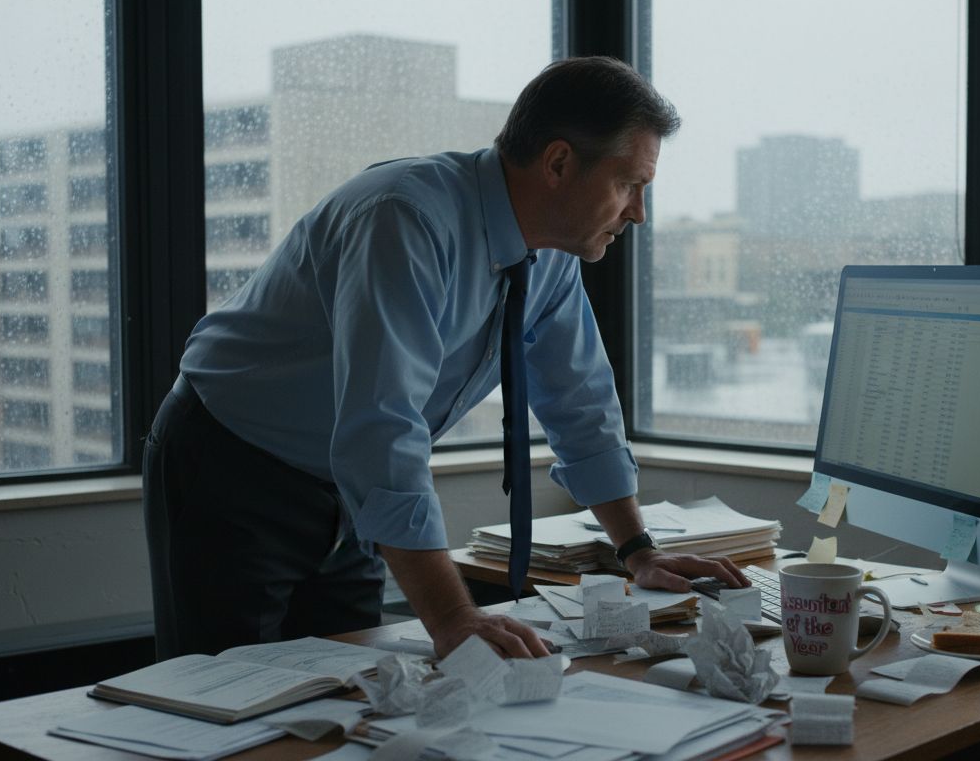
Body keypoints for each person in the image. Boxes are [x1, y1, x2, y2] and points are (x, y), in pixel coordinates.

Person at [142, 55, 747, 662]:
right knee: (224, 700)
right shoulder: (405, 219)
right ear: (559, 163)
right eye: (629, 185)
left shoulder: (553, 256)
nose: (638, 212)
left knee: (351, 686)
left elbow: (580, 403)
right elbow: (382, 428)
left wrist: (638, 550)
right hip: (230, 465)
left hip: (345, 488)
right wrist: (455, 617)